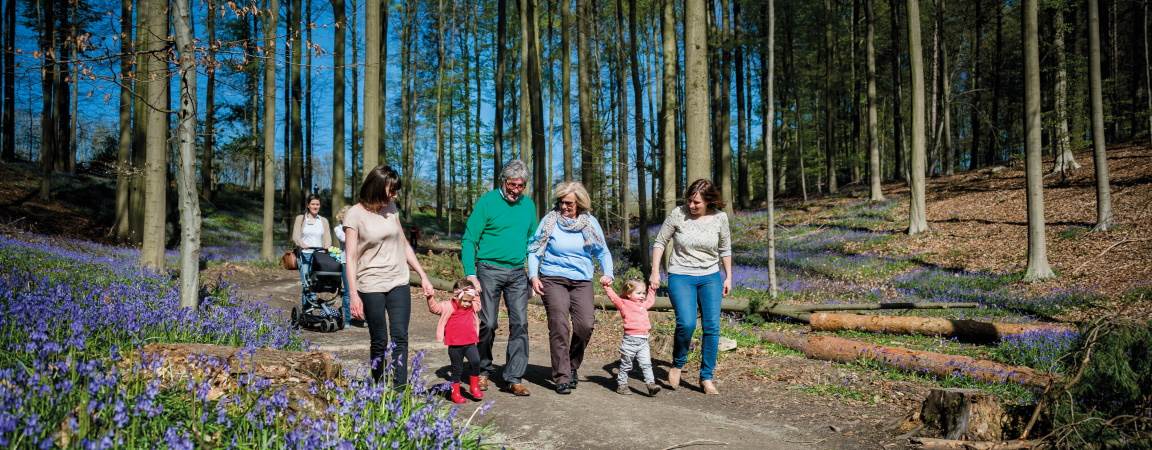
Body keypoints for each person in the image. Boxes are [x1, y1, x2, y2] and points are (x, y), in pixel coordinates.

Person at [344, 165, 436, 386]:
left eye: (396, 191)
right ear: (377, 187)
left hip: (398, 280)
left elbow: (403, 244)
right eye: (391, 190)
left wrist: (423, 275)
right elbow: (350, 258)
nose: (395, 195)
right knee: (379, 340)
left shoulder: (391, 207)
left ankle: (399, 391)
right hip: (371, 283)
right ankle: (378, 388)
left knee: (400, 338)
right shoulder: (354, 214)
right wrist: (353, 295)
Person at [461, 160, 539, 396]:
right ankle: (483, 370)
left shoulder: (528, 206)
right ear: (503, 181)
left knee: (520, 324)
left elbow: (533, 243)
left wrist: (534, 274)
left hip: (517, 272)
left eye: (521, 185)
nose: (516, 190)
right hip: (488, 269)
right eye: (512, 184)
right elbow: (469, 239)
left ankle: (514, 376)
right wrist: (470, 273)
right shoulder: (487, 202)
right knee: (488, 323)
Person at [527, 181, 613, 395]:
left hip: (581, 280)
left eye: (569, 204)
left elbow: (603, 252)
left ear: (580, 204)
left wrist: (608, 273)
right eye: (561, 202)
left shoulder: (589, 223)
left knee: (585, 325)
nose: (564, 207)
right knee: (559, 324)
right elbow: (534, 249)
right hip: (553, 277)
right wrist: (533, 275)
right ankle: (562, 376)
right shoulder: (550, 221)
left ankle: (572, 366)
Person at [649, 179, 732, 395]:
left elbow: (725, 249)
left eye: (697, 202)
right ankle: (677, 363)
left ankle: (706, 377)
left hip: (710, 277)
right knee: (686, 323)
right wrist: (655, 271)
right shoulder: (678, 213)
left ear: (709, 201)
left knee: (712, 327)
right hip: (681, 275)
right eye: (689, 201)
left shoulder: (720, 218)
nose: (692, 206)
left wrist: (728, 277)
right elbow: (660, 242)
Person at [426, 279, 485, 404]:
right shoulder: (448, 306)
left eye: (470, 301)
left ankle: (474, 386)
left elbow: (478, 303)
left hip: (470, 343)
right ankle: (455, 393)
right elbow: (434, 308)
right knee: (457, 369)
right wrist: (430, 297)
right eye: (464, 301)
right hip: (455, 346)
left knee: (476, 361)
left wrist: (477, 292)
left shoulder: (473, 306)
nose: (467, 304)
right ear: (456, 297)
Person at [603, 279, 661, 396]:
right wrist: (606, 286)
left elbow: (650, 300)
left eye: (643, 293)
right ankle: (622, 385)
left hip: (644, 341)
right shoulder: (623, 304)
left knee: (646, 364)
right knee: (626, 364)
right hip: (630, 341)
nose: (642, 296)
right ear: (629, 294)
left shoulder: (643, 305)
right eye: (638, 293)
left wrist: (652, 289)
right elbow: (614, 297)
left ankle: (651, 384)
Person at [292, 194, 332, 310]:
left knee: (315, 283)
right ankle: (307, 310)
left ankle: (311, 307)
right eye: (313, 204)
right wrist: (301, 243)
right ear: (308, 205)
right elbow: (295, 236)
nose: (315, 206)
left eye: (317, 204)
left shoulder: (323, 220)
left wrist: (327, 246)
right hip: (305, 255)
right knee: (306, 284)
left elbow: (327, 237)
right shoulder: (301, 218)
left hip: (318, 256)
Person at [333, 205, 361, 327]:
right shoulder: (338, 229)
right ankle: (347, 319)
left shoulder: (358, 228)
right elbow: (345, 239)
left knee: (362, 290)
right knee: (348, 291)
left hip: (360, 262)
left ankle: (360, 316)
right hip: (346, 262)